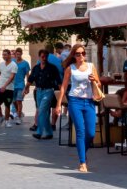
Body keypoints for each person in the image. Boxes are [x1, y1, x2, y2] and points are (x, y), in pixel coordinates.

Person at [56, 43, 98, 173]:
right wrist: (58, 104)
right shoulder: (70, 68)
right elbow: (63, 86)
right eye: (78, 54)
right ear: (74, 55)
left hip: (89, 101)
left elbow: (99, 82)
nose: (81, 56)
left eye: (83, 53)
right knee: (80, 131)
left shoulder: (91, 66)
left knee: (90, 133)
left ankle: (82, 152)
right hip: (75, 101)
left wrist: (94, 80)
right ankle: (82, 162)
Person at [28, 49, 63, 140]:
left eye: (46, 57)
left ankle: (39, 132)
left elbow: (59, 81)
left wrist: (61, 94)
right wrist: (26, 88)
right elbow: (31, 79)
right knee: (45, 113)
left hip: (48, 91)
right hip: (38, 91)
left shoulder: (52, 68)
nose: (44, 58)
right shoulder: (36, 68)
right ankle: (49, 132)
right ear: (39, 57)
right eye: (42, 56)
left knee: (41, 111)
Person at [0, 49, 17, 127]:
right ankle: (1, 116)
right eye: (3, 55)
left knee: (7, 105)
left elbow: (11, 77)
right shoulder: (1, 64)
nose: (4, 56)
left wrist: (5, 86)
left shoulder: (14, 65)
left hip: (9, 89)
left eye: (5, 55)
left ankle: (7, 121)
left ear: (9, 55)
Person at [13, 48, 30, 125]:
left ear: (21, 54)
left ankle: (18, 117)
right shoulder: (12, 62)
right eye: (17, 54)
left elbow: (27, 75)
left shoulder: (25, 63)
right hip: (12, 85)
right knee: (13, 101)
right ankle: (18, 112)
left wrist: (27, 87)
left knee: (19, 100)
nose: (18, 56)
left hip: (21, 85)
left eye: (19, 54)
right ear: (15, 54)